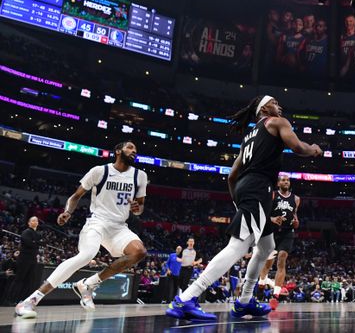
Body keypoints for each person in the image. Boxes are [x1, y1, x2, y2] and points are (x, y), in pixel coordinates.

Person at [165, 95, 322, 321]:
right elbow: (298, 147)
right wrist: (314, 149)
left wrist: (239, 201)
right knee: (238, 247)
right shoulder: (277, 122)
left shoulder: (248, 137)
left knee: (267, 247)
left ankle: (245, 301)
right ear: (265, 108)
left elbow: (231, 177)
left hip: (249, 190)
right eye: (275, 102)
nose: (280, 106)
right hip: (259, 189)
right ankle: (187, 298)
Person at [15, 141, 148, 319]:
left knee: (139, 252)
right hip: (97, 222)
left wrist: (136, 208)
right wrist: (67, 212)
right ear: (118, 151)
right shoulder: (100, 171)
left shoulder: (140, 176)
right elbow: (76, 196)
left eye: (135, 149)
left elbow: (140, 207)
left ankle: (88, 284)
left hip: (119, 227)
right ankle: (30, 301)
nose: (134, 151)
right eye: (130, 147)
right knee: (87, 255)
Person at [257, 175, 301, 310]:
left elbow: (296, 219)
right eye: (283, 180)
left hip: (287, 233)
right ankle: (261, 282)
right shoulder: (272, 195)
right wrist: (272, 218)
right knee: (268, 263)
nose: (286, 182)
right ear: (278, 183)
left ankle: (275, 296)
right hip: (272, 231)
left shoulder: (296, 199)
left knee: (282, 259)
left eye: (287, 180)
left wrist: (296, 223)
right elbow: (262, 212)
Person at [7, 217, 41, 305]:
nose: (35, 222)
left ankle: (23, 299)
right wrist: (36, 243)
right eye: (33, 220)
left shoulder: (36, 233)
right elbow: (28, 243)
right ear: (29, 223)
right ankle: (11, 299)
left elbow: (37, 243)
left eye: (36, 220)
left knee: (29, 281)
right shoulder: (26, 232)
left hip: (32, 259)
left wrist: (36, 243)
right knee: (19, 279)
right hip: (24, 259)